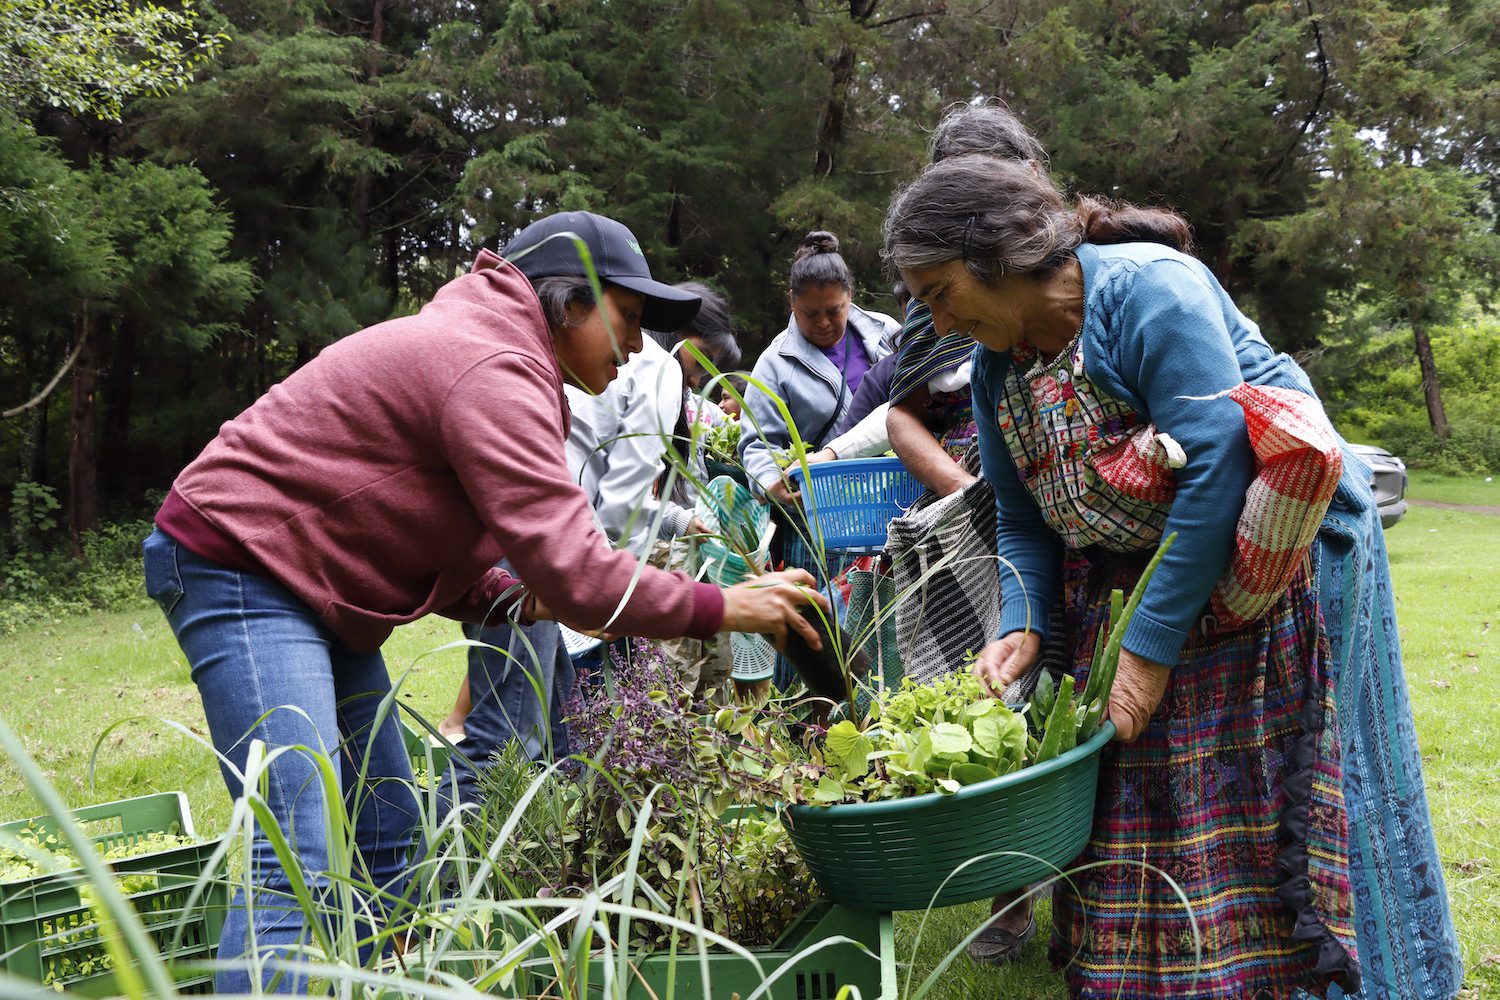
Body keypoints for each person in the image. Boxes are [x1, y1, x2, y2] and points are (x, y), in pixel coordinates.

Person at [141, 209, 826, 992]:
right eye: (629, 317)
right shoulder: (493, 364)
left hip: (314, 584)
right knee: (297, 843)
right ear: (569, 302)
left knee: (388, 826)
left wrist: (519, 599)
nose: (639, 346)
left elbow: (427, 529)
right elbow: (582, 574)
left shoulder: (503, 357)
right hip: (239, 560)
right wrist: (726, 605)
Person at [883, 157, 1462, 1000]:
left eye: (940, 292)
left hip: (1277, 558)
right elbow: (1021, 515)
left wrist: (1148, 649)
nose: (937, 320)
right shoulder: (998, 371)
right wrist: (1023, 622)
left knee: (1283, 796)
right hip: (1152, 569)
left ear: (998, 255)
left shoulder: (1148, 292)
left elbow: (1218, 464)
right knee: (1143, 789)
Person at [737, 230, 899, 509]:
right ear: (792, 301)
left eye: (834, 311)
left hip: (896, 493)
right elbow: (758, 443)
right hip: (825, 506)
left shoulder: (885, 334)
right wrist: (771, 483)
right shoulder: (775, 363)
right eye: (811, 313)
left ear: (850, 296)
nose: (823, 323)